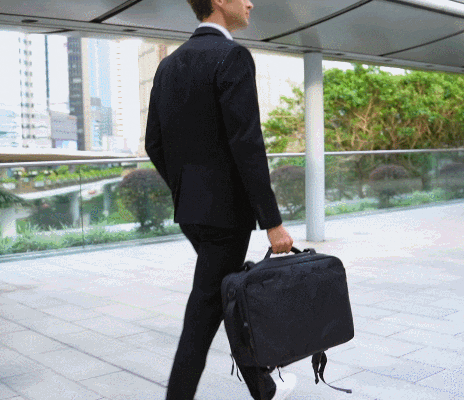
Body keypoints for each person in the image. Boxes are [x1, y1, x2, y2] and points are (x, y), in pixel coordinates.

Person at [144, 0, 298, 399]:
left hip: (192, 213)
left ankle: (263, 385)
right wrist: (273, 222)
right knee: (202, 315)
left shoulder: (168, 65)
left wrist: (186, 192)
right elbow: (247, 143)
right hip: (226, 218)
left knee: (225, 295)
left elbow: (153, 143)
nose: (250, 3)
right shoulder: (232, 56)